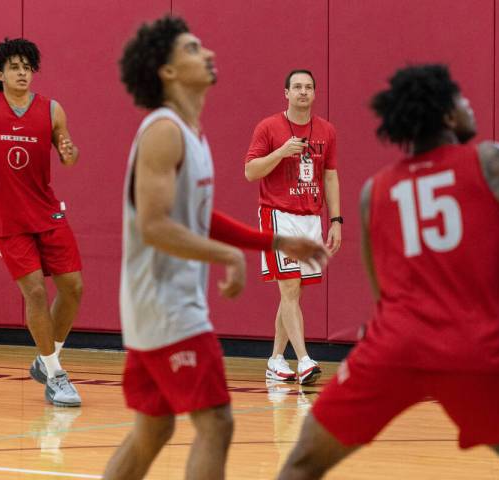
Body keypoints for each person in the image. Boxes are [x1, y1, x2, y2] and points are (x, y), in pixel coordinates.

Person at [277, 64, 499, 480]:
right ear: (448, 115)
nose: (470, 106)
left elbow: (385, 293)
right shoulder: (491, 160)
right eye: (462, 99)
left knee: (303, 462)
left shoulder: (374, 190)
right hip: (472, 349)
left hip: (395, 346)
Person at [104, 16, 328, 480]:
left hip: (158, 307)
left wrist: (272, 240)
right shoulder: (163, 132)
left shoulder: (191, 133)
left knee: (154, 430)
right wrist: (226, 256)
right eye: (191, 49)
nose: (207, 54)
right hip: (168, 307)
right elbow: (154, 224)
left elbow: (197, 216)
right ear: (167, 72)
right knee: (216, 423)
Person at [0, 38, 83, 407]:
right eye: (15, 67)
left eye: (27, 67)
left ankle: (45, 357)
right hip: (6, 219)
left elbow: (68, 153)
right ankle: (55, 374)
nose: (23, 73)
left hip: (47, 212)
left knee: (73, 288)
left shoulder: (52, 110)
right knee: (35, 292)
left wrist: (69, 151)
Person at [244, 69, 341, 384]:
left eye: (308, 87)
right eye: (297, 87)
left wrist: (336, 220)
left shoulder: (326, 130)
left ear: (315, 93)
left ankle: (275, 359)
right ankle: (304, 359)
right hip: (277, 216)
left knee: (293, 292)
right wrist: (281, 152)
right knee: (288, 287)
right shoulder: (269, 127)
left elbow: (330, 176)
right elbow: (250, 171)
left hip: (310, 217)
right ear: (285, 92)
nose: (303, 92)